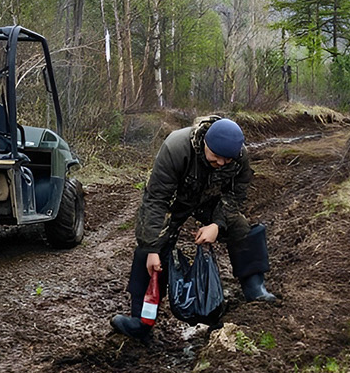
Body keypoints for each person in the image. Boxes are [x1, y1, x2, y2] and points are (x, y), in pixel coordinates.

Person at [111, 115, 276, 339]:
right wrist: (152, 249)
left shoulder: (239, 156)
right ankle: (141, 320)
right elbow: (156, 200)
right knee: (150, 249)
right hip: (175, 201)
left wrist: (216, 225)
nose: (221, 163)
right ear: (206, 143)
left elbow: (236, 195)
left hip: (211, 203)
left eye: (226, 160)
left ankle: (256, 291)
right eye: (216, 158)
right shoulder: (176, 148)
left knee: (240, 226)